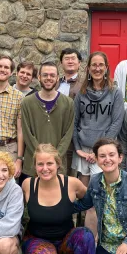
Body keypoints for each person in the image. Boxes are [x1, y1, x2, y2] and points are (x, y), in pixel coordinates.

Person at [21, 144, 96, 254]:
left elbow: (89, 200)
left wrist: (69, 208)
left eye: (49, 163)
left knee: (86, 236)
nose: (45, 168)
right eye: (40, 164)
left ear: (58, 164)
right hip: (36, 240)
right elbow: (16, 209)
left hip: (65, 242)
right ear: (35, 166)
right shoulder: (28, 185)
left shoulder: (72, 184)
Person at [73, 51, 125, 235]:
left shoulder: (115, 93)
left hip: (101, 153)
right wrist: (78, 149)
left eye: (100, 65)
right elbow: (74, 121)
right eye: (93, 65)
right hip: (83, 152)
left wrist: (100, 151)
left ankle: (99, 241)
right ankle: (86, 239)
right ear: (88, 68)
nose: (97, 68)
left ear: (106, 67)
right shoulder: (82, 93)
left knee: (99, 198)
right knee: (84, 197)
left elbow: (116, 122)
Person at [21, 61, 74, 181]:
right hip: (32, 165)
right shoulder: (27, 102)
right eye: (45, 75)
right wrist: (41, 157)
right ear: (39, 77)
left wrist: (55, 158)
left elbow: (68, 134)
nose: (48, 78)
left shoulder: (68, 103)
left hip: (58, 165)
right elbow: (27, 133)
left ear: (57, 78)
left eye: (52, 75)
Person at [56, 48, 84, 177]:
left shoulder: (85, 85)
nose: (70, 61)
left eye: (73, 58)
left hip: (74, 136)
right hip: (55, 134)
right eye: (66, 59)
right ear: (61, 63)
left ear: (79, 63)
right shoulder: (54, 83)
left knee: (71, 173)